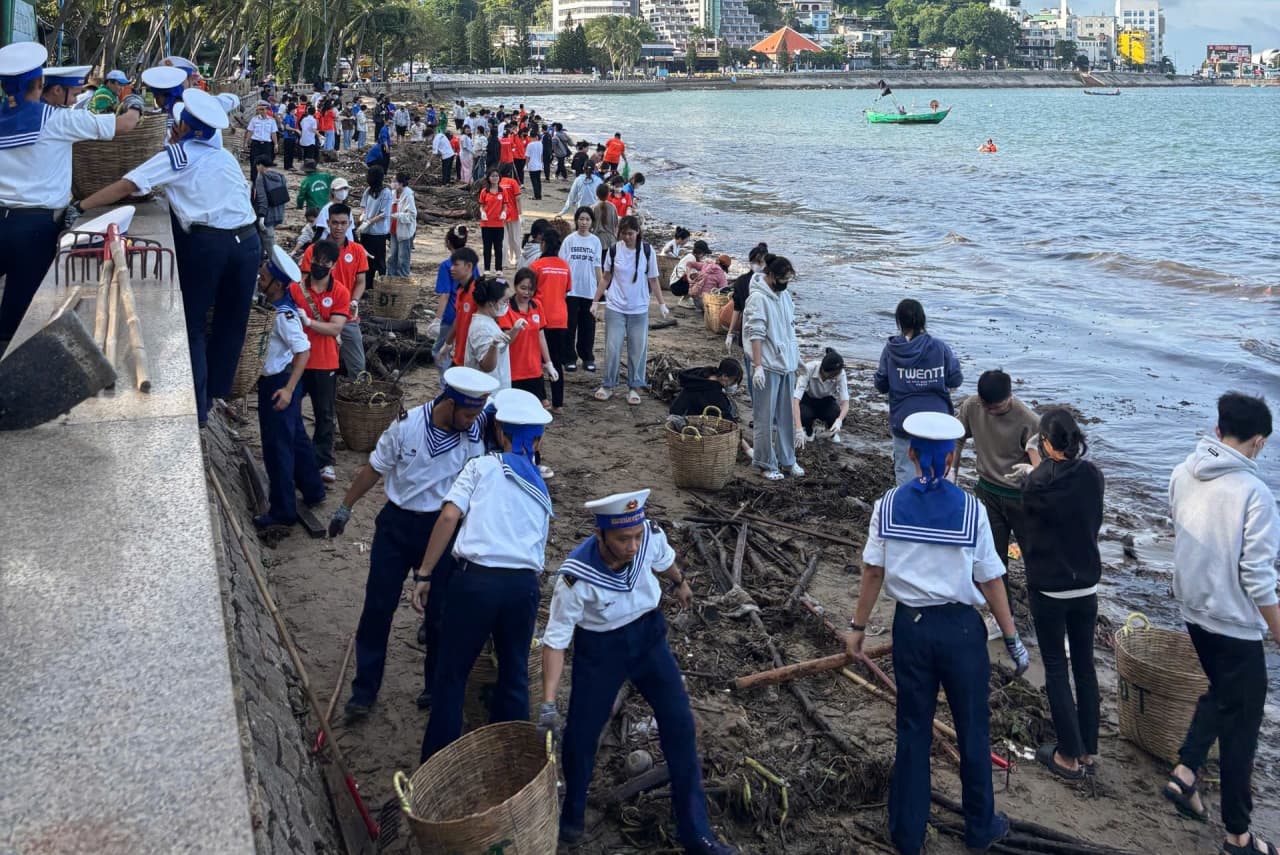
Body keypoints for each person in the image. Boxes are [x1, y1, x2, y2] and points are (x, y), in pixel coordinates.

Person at [846, 411, 1027, 855]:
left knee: (912, 729)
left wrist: (858, 628)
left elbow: (872, 571)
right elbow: (990, 579)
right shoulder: (971, 509)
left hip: (910, 627)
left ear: (911, 453)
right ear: (951, 459)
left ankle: (908, 833)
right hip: (962, 631)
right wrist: (1012, 637)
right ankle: (981, 827)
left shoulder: (887, 505)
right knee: (972, 728)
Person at [539, 490, 737, 855]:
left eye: (636, 537)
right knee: (581, 734)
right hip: (600, 652)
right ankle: (572, 815)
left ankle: (696, 833)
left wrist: (680, 583)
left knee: (679, 724)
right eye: (622, 539)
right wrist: (548, 702)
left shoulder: (648, 538)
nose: (632, 547)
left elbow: (664, 560)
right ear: (600, 536)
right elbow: (555, 640)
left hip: (649, 641)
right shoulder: (575, 577)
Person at [75, 87, 256, 425]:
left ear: (184, 129)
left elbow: (127, 185)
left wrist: (82, 206)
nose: (172, 131)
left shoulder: (177, 155)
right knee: (232, 322)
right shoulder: (224, 156)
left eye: (175, 127)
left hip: (210, 244)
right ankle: (217, 392)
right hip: (247, 242)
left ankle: (199, 409)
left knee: (194, 324)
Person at [328, 366, 499, 720]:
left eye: (476, 414)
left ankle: (433, 687)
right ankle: (364, 690)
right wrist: (346, 506)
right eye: (467, 413)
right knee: (377, 607)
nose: (472, 420)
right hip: (397, 526)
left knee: (440, 615)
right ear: (448, 403)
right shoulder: (406, 428)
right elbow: (373, 469)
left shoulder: (475, 431)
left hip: (443, 530)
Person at [1161, 392, 1278, 855]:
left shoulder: (1182, 472)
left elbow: (1180, 527)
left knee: (1225, 693)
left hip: (1194, 613)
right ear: (1257, 442)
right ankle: (1238, 835)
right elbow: (1258, 577)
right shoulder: (1255, 494)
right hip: (1234, 624)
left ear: (1217, 430)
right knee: (1242, 731)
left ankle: (1187, 772)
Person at [415, 387, 553, 759]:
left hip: (475, 583)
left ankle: (437, 765)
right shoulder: (541, 487)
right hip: (522, 588)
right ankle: (514, 763)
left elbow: (448, 515)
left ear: (500, 433)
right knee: (514, 676)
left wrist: (425, 572)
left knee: (452, 675)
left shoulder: (479, 467)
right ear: (537, 439)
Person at [0, 42, 141, 356]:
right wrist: (134, 101)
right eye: (74, 94)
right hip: (35, 230)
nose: (75, 99)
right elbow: (126, 125)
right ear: (39, 85)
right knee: (21, 313)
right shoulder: (55, 120)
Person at [1017, 408, 1105, 782]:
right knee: (1085, 665)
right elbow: (1064, 483)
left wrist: (1031, 460)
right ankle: (1088, 749)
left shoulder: (1035, 483)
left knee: (1056, 666)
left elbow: (1037, 496)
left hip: (1050, 587)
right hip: (1086, 583)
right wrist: (1039, 461)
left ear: (1047, 444)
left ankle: (1068, 755)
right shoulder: (1092, 475)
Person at [253, 246, 326, 528]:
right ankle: (312, 488)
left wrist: (287, 389)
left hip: (280, 383)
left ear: (278, 284)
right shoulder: (275, 308)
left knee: (277, 446)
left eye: (263, 276)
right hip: (283, 381)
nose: (260, 279)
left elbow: (303, 351)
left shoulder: (284, 316)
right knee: (295, 437)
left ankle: (282, 510)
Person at [954, 369, 1042, 574]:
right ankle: (1000, 605)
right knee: (992, 557)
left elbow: (1041, 468)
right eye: (985, 405)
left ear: (1009, 396)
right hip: (987, 492)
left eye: (996, 406)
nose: (989, 411)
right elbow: (957, 437)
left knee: (1033, 556)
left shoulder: (1029, 421)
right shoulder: (973, 405)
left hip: (1019, 497)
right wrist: (952, 473)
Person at [874, 298, 964, 487]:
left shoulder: (891, 350)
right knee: (939, 467)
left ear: (899, 322)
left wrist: (901, 379)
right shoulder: (939, 347)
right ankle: (937, 507)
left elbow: (880, 383)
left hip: (905, 419)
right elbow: (955, 378)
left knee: (906, 468)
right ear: (923, 319)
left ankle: (908, 510)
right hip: (938, 419)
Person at [289, 239, 350, 484]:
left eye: (325, 262)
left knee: (324, 414)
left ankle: (324, 460)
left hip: (325, 362)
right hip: (295, 362)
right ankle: (297, 455)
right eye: (316, 260)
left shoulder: (340, 292)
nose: (319, 265)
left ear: (333, 265)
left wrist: (310, 323)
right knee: (291, 409)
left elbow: (336, 326)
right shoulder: (294, 289)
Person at [593, 216, 667, 405]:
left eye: (630, 234)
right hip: (615, 306)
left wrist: (661, 303)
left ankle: (634, 386)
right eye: (624, 233)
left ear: (638, 232)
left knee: (637, 349)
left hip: (639, 308)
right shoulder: (613, 250)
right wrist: (596, 300)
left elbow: (653, 280)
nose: (627, 237)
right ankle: (608, 384)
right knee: (612, 347)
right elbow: (606, 277)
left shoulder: (647, 251)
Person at [743, 255, 801, 480]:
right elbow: (755, 333)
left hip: (786, 363)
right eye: (783, 278)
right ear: (772, 276)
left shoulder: (784, 296)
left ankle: (788, 459)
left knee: (786, 415)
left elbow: (789, 328)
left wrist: (797, 358)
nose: (786, 283)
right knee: (764, 416)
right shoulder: (758, 298)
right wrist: (757, 366)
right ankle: (766, 462)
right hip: (767, 364)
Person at [299, 203, 368, 378]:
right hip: (317, 314)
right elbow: (304, 283)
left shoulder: (357, 251)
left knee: (358, 366)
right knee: (310, 362)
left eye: (343, 223)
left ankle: (355, 396)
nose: (339, 227)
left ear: (350, 223)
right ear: (328, 222)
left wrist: (354, 301)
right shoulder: (312, 251)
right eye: (335, 222)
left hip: (347, 315)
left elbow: (360, 282)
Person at [501, 267, 556, 405]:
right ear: (515, 286)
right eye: (523, 288)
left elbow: (541, 336)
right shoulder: (506, 308)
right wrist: (515, 329)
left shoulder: (537, 305)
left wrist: (549, 363)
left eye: (530, 289)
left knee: (539, 406)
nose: (527, 293)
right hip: (513, 371)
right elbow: (507, 340)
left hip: (534, 370)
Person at [529, 230, 572, 412]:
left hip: (541, 318)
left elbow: (529, 291)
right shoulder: (564, 266)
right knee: (555, 361)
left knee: (537, 361)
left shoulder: (536, 266)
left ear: (543, 244)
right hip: (560, 318)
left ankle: (542, 399)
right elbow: (567, 290)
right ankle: (558, 403)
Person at [560, 206, 603, 373]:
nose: (584, 222)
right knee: (569, 326)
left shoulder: (595, 241)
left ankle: (587, 357)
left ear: (592, 222)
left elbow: (598, 267)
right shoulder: (569, 240)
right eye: (581, 219)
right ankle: (569, 358)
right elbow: (563, 266)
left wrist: (601, 291)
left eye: (587, 219)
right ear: (576, 220)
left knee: (588, 326)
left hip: (589, 291)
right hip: (571, 292)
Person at [431, 232, 476, 377]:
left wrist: (437, 319)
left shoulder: (446, 265)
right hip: (463, 317)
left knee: (439, 351)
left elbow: (445, 294)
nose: (453, 268)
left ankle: (447, 382)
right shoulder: (471, 264)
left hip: (451, 315)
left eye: (456, 265)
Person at [726, 242, 770, 391]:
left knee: (762, 372)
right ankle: (755, 400)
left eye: (760, 262)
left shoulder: (770, 282)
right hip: (749, 331)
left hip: (767, 332)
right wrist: (730, 333)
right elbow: (737, 309)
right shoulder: (743, 282)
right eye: (755, 261)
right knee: (753, 372)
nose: (757, 265)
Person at [463, 276, 515, 390]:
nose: (507, 305)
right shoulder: (481, 328)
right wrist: (493, 345)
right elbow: (486, 366)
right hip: (485, 394)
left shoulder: (489, 321)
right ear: (491, 303)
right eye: (504, 301)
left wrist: (515, 329)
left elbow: (503, 346)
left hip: (496, 388)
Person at [794, 347, 850, 443]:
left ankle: (831, 432)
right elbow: (795, 400)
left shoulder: (841, 373)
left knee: (837, 414)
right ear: (823, 370)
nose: (836, 376)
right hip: (808, 399)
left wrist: (839, 421)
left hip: (826, 400)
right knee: (804, 415)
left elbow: (845, 402)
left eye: (838, 373)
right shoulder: (809, 369)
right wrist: (798, 429)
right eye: (833, 374)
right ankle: (808, 430)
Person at [670, 358, 744, 423]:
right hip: (689, 421)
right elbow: (725, 417)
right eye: (733, 381)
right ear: (724, 376)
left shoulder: (699, 377)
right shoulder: (713, 393)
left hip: (677, 411)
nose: (733, 385)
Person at [357, 165, 392, 296]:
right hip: (366, 232)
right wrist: (362, 217)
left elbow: (384, 214)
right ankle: (367, 285)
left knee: (379, 260)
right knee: (366, 259)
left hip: (378, 233)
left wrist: (369, 221)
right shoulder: (368, 191)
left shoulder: (386, 193)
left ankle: (380, 285)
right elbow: (363, 206)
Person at [252, 155, 288, 248]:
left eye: (257, 166)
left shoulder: (261, 178)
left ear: (260, 165)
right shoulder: (281, 176)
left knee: (269, 243)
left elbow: (262, 199)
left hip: (267, 216)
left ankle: (272, 260)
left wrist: (262, 216)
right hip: (279, 213)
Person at [477, 168, 508, 273]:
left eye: (496, 176)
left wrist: (504, 212)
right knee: (487, 247)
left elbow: (505, 206)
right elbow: (481, 205)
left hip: (498, 223)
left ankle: (498, 269)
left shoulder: (502, 191)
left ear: (499, 177)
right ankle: (486, 269)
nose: (495, 178)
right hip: (486, 224)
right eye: (492, 176)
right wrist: (483, 212)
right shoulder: (484, 191)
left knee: (498, 247)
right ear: (488, 178)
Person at [387, 170, 416, 277]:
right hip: (393, 230)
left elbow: (412, 215)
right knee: (392, 256)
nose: (392, 183)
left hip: (404, 231)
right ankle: (391, 278)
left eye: (394, 181)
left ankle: (402, 279)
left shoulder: (408, 195)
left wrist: (397, 215)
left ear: (401, 183)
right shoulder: (392, 194)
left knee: (402, 258)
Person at [499, 164, 523, 269]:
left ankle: (504, 262)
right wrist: (520, 214)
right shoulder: (513, 182)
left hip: (500, 214)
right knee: (515, 238)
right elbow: (518, 199)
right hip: (513, 213)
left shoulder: (497, 183)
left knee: (503, 239)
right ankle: (518, 260)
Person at [246, 100, 279, 165]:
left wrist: (276, 144)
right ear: (258, 110)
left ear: (267, 110)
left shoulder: (271, 121)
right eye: (261, 109)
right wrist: (246, 142)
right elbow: (250, 131)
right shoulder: (254, 120)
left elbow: (273, 133)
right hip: (256, 144)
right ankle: (254, 175)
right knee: (254, 163)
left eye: (265, 109)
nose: (263, 111)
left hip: (266, 145)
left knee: (265, 164)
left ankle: (263, 175)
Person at [591, 183, 619, 253]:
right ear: (608, 194)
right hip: (611, 241)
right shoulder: (613, 207)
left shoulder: (593, 207)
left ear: (597, 194)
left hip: (596, 240)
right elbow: (616, 224)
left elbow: (590, 226)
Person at [525, 128, 544, 200]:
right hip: (539, 165)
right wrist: (542, 164)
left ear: (530, 137)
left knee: (534, 181)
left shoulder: (530, 145)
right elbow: (541, 155)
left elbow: (527, 156)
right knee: (538, 181)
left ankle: (536, 196)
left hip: (532, 165)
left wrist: (526, 165)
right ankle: (539, 195)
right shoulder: (540, 144)